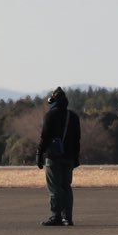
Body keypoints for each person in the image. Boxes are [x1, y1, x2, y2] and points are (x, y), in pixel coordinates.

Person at [37, 88, 81, 226]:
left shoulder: (50, 116)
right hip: (69, 158)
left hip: (53, 157)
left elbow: (44, 137)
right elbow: (77, 139)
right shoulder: (73, 117)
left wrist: (39, 154)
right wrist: (75, 158)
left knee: (55, 188)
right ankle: (67, 217)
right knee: (66, 187)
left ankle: (56, 216)